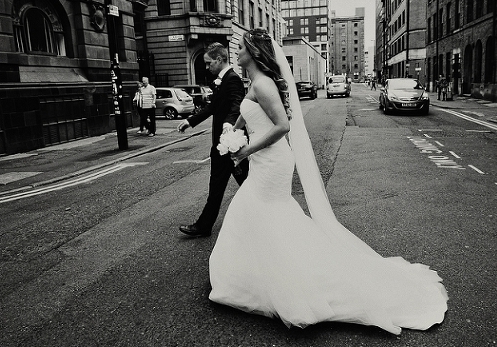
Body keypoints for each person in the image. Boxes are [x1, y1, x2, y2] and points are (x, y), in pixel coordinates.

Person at [207, 29, 448, 335]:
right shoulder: (255, 83)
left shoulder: (265, 84)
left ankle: (284, 281)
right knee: (260, 213)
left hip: (271, 162)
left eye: (240, 48)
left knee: (261, 211)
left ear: (253, 53)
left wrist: (246, 149)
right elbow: (251, 113)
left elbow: (281, 126)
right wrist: (234, 129)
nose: (236, 52)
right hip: (265, 161)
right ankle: (251, 276)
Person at [178, 42, 249, 237]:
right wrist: (190, 121)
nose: (207, 67)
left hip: (232, 144)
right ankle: (204, 226)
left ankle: (267, 217)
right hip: (222, 147)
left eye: (209, 63)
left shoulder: (232, 79)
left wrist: (228, 124)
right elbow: (211, 108)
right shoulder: (222, 80)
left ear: (219, 59)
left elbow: (237, 104)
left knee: (249, 184)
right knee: (217, 187)